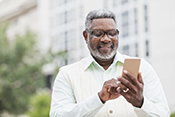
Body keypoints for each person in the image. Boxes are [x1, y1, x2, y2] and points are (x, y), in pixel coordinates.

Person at [50, 9, 170, 117]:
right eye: (98, 33)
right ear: (86, 36)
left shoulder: (142, 68)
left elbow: (163, 114)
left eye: (111, 33)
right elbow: (58, 115)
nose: (106, 39)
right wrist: (99, 99)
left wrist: (140, 103)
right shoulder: (67, 74)